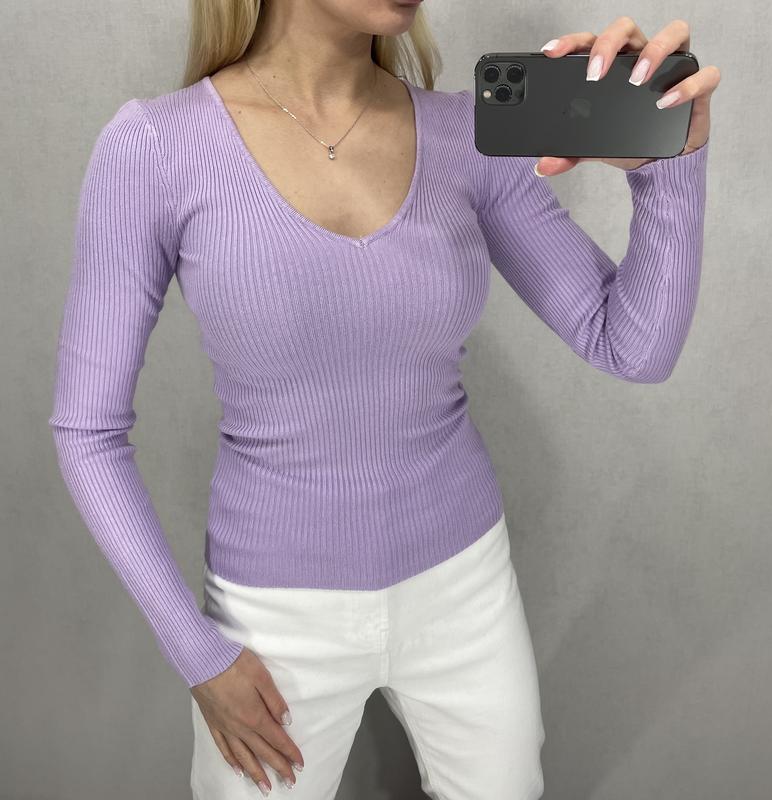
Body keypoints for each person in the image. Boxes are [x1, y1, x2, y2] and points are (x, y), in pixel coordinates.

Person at [47, 0, 719, 796]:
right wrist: (199, 655)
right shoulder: (155, 148)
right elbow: (87, 432)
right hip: (274, 621)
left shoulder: (467, 137)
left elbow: (632, 347)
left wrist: (671, 165)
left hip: (465, 591)